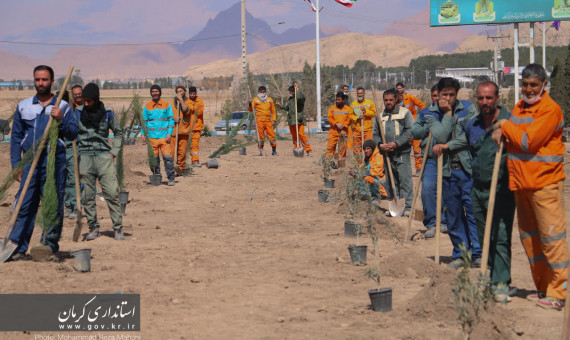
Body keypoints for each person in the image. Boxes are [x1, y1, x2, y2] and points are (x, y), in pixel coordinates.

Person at [492, 64, 568, 310]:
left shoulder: (550, 110)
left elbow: (528, 141)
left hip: (545, 184)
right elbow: (511, 136)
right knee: (531, 240)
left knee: (552, 238)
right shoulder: (519, 107)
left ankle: (558, 292)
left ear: (544, 84)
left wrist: (503, 125)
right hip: (521, 183)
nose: (528, 89)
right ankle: (544, 288)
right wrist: (502, 129)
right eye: (525, 84)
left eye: (534, 84)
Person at [7, 65, 78, 261]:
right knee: (25, 204)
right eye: (37, 80)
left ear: (52, 82)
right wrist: (16, 165)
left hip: (55, 162)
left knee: (52, 205)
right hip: (29, 162)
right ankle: (17, 247)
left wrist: (61, 119)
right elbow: (15, 138)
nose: (41, 83)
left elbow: (73, 133)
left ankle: (48, 246)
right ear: (34, 81)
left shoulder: (62, 107)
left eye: (45, 80)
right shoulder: (24, 106)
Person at [464, 81, 515, 301]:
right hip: (478, 190)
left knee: (501, 236)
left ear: (497, 98)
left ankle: (501, 283)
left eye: (489, 98)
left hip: (503, 189)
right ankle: (491, 276)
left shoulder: (510, 121)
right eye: (481, 98)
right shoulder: (472, 125)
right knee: (485, 237)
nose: (485, 102)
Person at [423, 77, 480, 269]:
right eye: (444, 94)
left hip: (467, 170)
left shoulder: (468, 108)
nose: (448, 98)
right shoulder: (431, 113)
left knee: (472, 212)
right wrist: (447, 113)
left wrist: (448, 145)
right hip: (446, 172)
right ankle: (461, 254)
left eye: (452, 95)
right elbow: (439, 134)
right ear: (438, 94)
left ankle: (478, 253)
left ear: (457, 94)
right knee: (454, 215)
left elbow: (471, 136)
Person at [75, 83, 125, 241]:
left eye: (89, 101)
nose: (86, 103)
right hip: (84, 157)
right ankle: (93, 228)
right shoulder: (77, 114)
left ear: (96, 100)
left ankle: (118, 228)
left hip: (104, 158)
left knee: (111, 193)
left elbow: (118, 132)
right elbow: (69, 132)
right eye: (84, 100)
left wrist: (113, 152)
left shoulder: (108, 113)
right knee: (88, 196)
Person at [412, 85, 448, 238]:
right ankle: (431, 223)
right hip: (431, 159)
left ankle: (444, 221)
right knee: (427, 189)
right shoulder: (424, 113)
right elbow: (414, 132)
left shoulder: (450, 112)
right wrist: (427, 127)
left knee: (446, 190)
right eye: (434, 95)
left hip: (447, 158)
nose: (437, 98)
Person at [372, 88, 414, 216]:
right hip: (387, 154)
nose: (388, 102)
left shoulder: (405, 113)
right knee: (391, 181)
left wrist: (396, 143)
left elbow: (409, 131)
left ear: (396, 99)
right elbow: (375, 133)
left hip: (402, 153)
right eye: (386, 100)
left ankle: (407, 207)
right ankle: (395, 207)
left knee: (405, 180)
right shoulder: (380, 116)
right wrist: (380, 144)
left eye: (391, 100)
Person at [142, 85, 175, 185]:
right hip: (152, 138)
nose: (155, 93)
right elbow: (144, 122)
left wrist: (169, 134)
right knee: (154, 160)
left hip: (165, 138)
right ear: (151, 93)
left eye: (156, 91)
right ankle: (157, 177)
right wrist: (143, 134)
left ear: (160, 92)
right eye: (153, 91)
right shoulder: (147, 107)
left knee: (168, 159)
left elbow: (171, 120)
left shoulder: (166, 105)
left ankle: (171, 178)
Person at [397, 82, 426, 176]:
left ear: (404, 88)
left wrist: (421, 118)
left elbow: (422, 105)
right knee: (404, 150)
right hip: (404, 129)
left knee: (417, 149)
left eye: (401, 88)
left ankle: (418, 169)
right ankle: (405, 169)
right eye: (398, 88)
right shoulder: (396, 101)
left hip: (414, 127)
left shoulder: (410, 98)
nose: (399, 90)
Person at [275, 83, 313, 156]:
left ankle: (309, 151)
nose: (290, 93)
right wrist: (281, 106)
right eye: (289, 92)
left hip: (298, 120)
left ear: (294, 91)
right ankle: (297, 149)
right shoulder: (290, 99)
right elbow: (287, 108)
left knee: (301, 135)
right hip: (291, 120)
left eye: (291, 92)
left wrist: (297, 89)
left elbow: (299, 98)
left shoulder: (301, 97)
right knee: (294, 137)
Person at [326, 92, 354, 165]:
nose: (337, 101)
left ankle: (341, 165)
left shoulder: (348, 109)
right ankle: (328, 164)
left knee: (342, 149)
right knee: (330, 148)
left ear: (343, 100)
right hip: (333, 131)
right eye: (336, 100)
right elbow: (329, 118)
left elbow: (350, 118)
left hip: (343, 132)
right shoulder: (332, 109)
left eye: (339, 100)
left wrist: (344, 125)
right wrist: (336, 123)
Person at [249, 86, 278, 155]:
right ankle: (261, 150)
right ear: (259, 91)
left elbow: (273, 111)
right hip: (259, 121)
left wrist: (274, 120)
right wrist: (250, 103)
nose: (262, 92)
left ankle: (274, 150)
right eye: (261, 91)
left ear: (265, 91)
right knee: (261, 136)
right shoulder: (255, 99)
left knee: (271, 135)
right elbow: (251, 109)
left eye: (263, 91)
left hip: (268, 121)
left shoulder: (270, 99)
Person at [349, 87, 376, 155]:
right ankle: (358, 164)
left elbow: (373, 113)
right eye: (358, 93)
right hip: (357, 130)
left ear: (364, 93)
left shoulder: (369, 103)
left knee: (369, 148)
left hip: (367, 130)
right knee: (357, 148)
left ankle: (368, 164)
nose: (359, 95)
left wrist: (365, 111)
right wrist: (357, 118)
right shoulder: (353, 104)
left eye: (361, 93)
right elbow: (350, 115)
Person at [171, 85, 191, 174]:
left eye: (181, 91)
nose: (179, 93)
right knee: (172, 152)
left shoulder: (189, 101)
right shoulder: (171, 103)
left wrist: (181, 100)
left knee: (182, 152)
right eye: (177, 91)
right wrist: (173, 118)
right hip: (174, 131)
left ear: (185, 91)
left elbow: (186, 111)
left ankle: (181, 169)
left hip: (184, 130)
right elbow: (168, 115)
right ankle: (172, 170)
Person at [187, 86, 204, 166]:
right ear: (189, 94)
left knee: (195, 145)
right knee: (190, 145)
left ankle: (196, 161)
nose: (192, 95)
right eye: (191, 94)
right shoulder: (186, 102)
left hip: (197, 127)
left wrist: (193, 107)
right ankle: (193, 161)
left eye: (194, 94)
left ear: (196, 93)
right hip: (188, 128)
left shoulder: (200, 102)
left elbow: (200, 112)